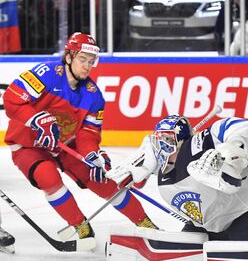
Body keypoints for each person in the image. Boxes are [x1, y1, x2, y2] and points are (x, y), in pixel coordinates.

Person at [2, 32, 158, 242]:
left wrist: (93, 154)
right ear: (69, 57)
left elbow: (88, 132)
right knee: (48, 177)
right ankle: (79, 225)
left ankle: (144, 222)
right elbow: (11, 99)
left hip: (66, 144)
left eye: (91, 61)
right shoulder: (46, 73)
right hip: (29, 145)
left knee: (104, 181)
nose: (87, 66)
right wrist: (36, 119)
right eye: (82, 59)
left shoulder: (94, 96)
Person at [106, 115, 248, 242]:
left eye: (168, 140)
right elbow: (140, 178)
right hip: (214, 224)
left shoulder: (202, 143)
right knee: (184, 252)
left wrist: (230, 152)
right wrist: (133, 174)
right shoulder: (161, 169)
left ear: (182, 141)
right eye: (159, 141)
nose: (162, 147)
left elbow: (247, 128)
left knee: (240, 255)